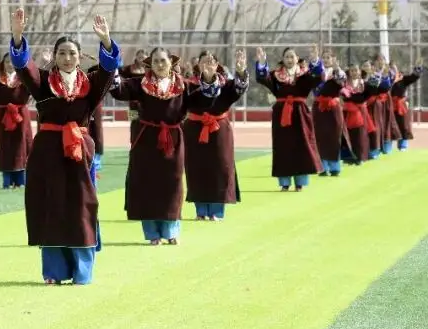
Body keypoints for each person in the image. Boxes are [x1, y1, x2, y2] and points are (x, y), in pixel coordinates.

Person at [9, 8, 118, 284]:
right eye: (62, 53)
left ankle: (83, 272)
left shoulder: (91, 84)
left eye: (72, 53)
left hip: (80, 152)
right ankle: (54, 272)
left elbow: (108, 71)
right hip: (48, 153)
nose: (67, 58)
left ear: (80, 57)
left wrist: (106, 41)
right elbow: (25, 67)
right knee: (52, 206)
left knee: (81, 208)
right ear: (55, 58)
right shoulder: (43, 83)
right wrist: (18, 36)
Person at [110, 46, 190, 244]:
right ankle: (153, 234)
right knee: (148, 184)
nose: (160, 64)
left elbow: (204, 100)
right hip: (145, 140)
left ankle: (171, 231)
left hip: (172, 140)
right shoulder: (141, 84)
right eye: (155, 61)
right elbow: (120, 90)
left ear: (171, 62)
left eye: (163, 60)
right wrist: (111, 69)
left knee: (172, 184)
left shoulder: (183, 86)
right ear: (150, 64)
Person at [183, 50, 249, 221]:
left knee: (221, 168)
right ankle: (201, 210)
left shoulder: (226, 85)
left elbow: (239, 88)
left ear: (218, 65)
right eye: (204, 60)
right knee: (197, 169)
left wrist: (241, 71)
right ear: (198, 65)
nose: (208, 64)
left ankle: (216, 211)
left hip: (220, 131)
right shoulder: (189, 85)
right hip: (194, 131)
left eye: (212, 61)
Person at [255, 46, 324, 191]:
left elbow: (318, 77)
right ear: (283, 59)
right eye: (287, 57)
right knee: (283, 147)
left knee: (302, 146)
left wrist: (315, 60)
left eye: (292, 56)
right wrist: (262, 61)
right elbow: (262, 78)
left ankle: (300, 183)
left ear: (297, 59)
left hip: (300, 114)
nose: (289, 59)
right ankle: (284, 183)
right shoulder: (275, 75)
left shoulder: (305, 74)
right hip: (281, 115)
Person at [0, 52, 33, 189]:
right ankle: (7, 181)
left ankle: (22, 181)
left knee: (21, 145)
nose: (10, 64)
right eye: (7, 62)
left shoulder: (25, 79)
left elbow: (38, 80)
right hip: (3, 117)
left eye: (13, 61)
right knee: (5, 146)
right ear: (3, 64)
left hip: (21, 117)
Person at [312, 53, 346, 177]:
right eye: (324, 58)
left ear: (333, 59)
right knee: (320, 136)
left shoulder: (338, 73)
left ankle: (335, 167)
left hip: (333, 108)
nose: (326, 60)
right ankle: (322, 167)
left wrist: (337, 69)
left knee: (334, 136)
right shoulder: (317, 72)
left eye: (328, 58)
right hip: (319, 107)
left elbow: (342, 82)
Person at [391, 63, 422, 150]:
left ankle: (403, 145)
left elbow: (412, 78)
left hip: (400, 105)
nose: (393, 71)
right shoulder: (387, 80)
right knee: (389, 126)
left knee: (403, 125)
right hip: (388, 105)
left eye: (394, 69)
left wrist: (416, 73)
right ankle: (387, 146)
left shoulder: (402, 79)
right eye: (391, 69)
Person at [119, 50, 148, 144]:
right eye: (140, 57)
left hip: (147, 102)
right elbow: (119, 73)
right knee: (134, 122)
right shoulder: (129, 69)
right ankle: (134, 142)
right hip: (133, 103)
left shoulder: (150, 70)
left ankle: (147, 142)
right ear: (136, 57)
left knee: (147, 122)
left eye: (143, 58)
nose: (141, 60)